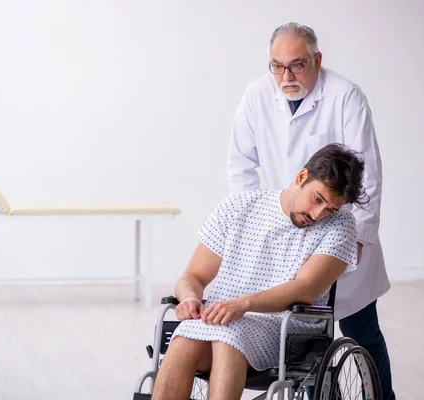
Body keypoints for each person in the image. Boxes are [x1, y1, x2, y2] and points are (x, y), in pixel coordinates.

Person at [226, 22, 394, 400]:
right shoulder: (256, 95)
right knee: (299, 337)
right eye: (277, 66)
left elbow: (367, 177)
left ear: (317, 60)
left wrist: (357, 243)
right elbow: (240, 167)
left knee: (361, 332)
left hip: (338, 229)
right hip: (283, 229)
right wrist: (256, 222)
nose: (286, 76)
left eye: (297, 65)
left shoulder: (346, 96)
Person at [152, 144, 368, 400]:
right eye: (317, 199)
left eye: (330, 209)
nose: (318, 214)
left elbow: (305, 289)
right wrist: (190, 297)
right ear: (301, 177)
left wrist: (243, 304)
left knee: (229, 335)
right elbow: (193, 277)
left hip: (287, 329)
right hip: (221, 318)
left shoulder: (340, 226)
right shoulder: (239, 206)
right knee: (183, 337)